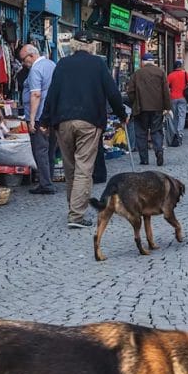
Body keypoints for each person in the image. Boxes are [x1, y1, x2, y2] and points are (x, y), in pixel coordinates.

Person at [42, 30, 127, 229]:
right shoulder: (98, 64)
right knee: (83, 168)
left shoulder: (62, 64)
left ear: (73, 45)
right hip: (89, 121)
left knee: (70, 168)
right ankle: (76, 215)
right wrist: (122, 115)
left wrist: (44, 121)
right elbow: (113, 92)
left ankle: (74, 208)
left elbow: (52, 93)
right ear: (91, 46)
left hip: (63, 121)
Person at [18, 44, 57, 195]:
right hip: (52, 115)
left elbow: (36, 94)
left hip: (40, 115)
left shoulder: (35, 69)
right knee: (50, 150)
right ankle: (49, 179)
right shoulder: (51, 64)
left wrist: (32, 119)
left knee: (40, 150)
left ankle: (45, 184)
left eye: (23, 59)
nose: (23, 63)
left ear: (32, 55)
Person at [126, 53, 171, 166]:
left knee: (141, 133)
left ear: (143, 62)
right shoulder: (160, 72)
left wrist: (135, 103)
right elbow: (166, 91)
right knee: (156, 131)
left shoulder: (137, 74)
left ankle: (144, 159)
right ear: (153, 62)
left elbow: (130, 92)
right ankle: (159, 150)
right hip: (157, 107)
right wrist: (167, 107)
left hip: (141, 108)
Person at [167, 60, 188, 147]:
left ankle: (174, 132)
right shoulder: (185, 74)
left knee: (174, 116)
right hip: (183, 97)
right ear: (180, 66)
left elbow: (166, 87)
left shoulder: (170, 75)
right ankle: (180, 132)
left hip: (173, 97)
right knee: (182, 116)